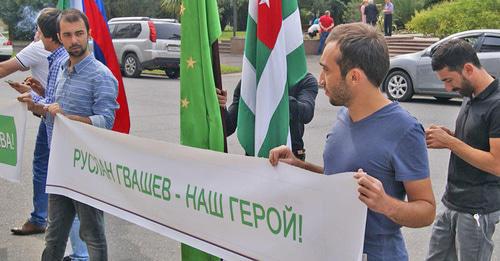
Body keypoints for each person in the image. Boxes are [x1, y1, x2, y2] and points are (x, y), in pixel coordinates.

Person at [268, 23, 436, 261]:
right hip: (333, 250)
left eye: (326, 70)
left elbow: (427, 210)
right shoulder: (344, 115)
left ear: (354, 77)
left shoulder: (405, 130)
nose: (320, 80)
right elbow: (339, 179)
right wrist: (298, 165)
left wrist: (385, 203)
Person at [19, 8, 118, 261]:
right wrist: (36, 102)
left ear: (89, 34)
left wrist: (65, 117)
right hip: (60, 164)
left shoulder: (101, 76)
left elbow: (105, 121)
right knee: (54, 235)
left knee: (92, 234)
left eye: (79, 34)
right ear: (59, 38)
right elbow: (54, 107)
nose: (74, 40)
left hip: (88, 166)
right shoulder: (62, 68)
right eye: (68, 35)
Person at [425, 39, 500, 261]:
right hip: (452, 201)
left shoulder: (497, 104)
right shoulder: (470, 95)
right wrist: (451, 136)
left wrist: (450, 143)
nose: (447, 88)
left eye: (449, 80)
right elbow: (476, 143)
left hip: (477, 208)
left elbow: (496, 163)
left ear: (468, 68)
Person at [217, 73, 318, 160]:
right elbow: (228, 128)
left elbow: (306, 113)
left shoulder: (304, 79)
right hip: (255, 157)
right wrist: (220, 107)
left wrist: (275, 95)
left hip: (290, 158)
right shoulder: (250, 79)